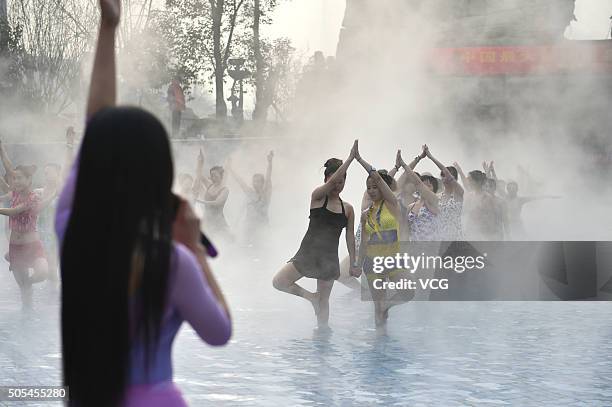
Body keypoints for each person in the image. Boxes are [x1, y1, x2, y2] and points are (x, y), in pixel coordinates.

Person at [57, 2, 231, 406]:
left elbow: (97, 137)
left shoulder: (73, 236)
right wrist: (192, 247)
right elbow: (219, 332)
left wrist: (108, 29)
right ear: (160, 175)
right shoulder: (171, 262)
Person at [272, 141, 358, 329]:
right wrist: (350, 159)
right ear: (327, 179)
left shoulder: (348, 209)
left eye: (342, 181)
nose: (338, 184)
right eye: (334, 180)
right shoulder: (318, 197)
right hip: (308, 253)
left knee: (324, 302)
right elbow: (279, 284)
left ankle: (322, 333)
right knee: (279, 282)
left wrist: (353, 262)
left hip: (328, 258)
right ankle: (311, 297)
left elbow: (350, 238)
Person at [354, 147, 408, 327]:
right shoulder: (367, 213)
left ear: (383, 188)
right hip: (372, 262)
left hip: (393, 259)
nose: (371, 190)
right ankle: (380, 341)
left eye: (375, 187)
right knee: (377, 307)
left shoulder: (392, 204)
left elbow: (378, 177)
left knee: (408, 292)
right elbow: (363, 243)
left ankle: (388, 306)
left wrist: (360, 160)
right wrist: (357, 264)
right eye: (368, 188)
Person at [0, 140, 49, 309]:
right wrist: (1, 147)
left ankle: (27, 283)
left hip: (32, 245)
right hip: (16, 247)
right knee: (25, 295)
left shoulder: (33, 197)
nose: (16, 181)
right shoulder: (13, 192)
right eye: (14, 178)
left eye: (20, 178)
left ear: (29, 179)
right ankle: (26, 318)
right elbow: (8, 166)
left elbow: (15, 211)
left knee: (42, 273)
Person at [227, 151, 273, 246]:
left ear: (262, 183)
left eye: (257, 181)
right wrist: (230, 169)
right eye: (254, 181)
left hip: (262, 225)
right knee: (247, 247)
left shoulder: (266, 194)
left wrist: (270, 162)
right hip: (249, 225)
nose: (255, 183)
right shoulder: (250, 192)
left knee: (262, 246)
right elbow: (240, 181)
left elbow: (268, 178)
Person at [423, 145, 464, 241]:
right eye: (442, 175)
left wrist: (431, 157)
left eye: (446, 175)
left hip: (456, 238)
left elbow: (445, 171)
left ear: (453, 178)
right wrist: (425, 200)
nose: (443, 177)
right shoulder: (438, 196)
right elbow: (437, 214)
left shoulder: (458, 193)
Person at [195, 156, 231, 241]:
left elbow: (217, 202)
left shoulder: (225, 189)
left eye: (215, 175)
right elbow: (198, 174)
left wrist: (200, 201)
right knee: (206, 241)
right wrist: (200, 163)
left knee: (223, 241)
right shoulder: (210, 185)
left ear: (221, 175)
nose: (213, 177)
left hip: (218, 220)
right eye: (211, 175)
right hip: (207, 219)